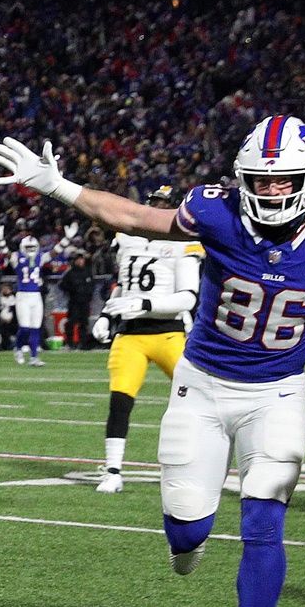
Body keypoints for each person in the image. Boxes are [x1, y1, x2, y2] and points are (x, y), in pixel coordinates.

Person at [0, 115, 305, 607]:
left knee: (264, 525)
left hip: (278, 394)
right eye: (260, 180)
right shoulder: (216, 211)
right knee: (187, 531)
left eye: (284, 182)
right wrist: (56, 186)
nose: (271, 192)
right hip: (202, 386)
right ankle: (186, 542)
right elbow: (134, 218)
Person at [91, 185, 203, 494]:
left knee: (199, 400)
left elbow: (187, 298)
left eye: (164, 203)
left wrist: (144, 305)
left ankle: (204, 465)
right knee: (120, 400)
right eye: (154, 202)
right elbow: (124, 285)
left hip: (168, 332)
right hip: (131, 335)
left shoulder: (185, 243)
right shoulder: (127, 239)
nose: (157, 208)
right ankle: (113, 470)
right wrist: (106, 314)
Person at [8, 227, 74, 366]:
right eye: (29, 247)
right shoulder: (16, 257)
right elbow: (4, 252)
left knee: (35, 327)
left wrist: (67, 239)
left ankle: (34, 357)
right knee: (25, 327)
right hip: (23, 296)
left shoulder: (40, 257)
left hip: (36, 296)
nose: (31, 249)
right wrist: (0, 238)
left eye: (33, 246)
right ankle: (18, 348)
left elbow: (55, 252)